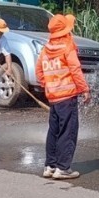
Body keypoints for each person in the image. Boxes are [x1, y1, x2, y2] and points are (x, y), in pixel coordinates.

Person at [37, 13, 90, 180]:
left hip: (53, 97)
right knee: (68, 131)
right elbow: (75, 69)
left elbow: (39, 71)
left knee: (53, 131)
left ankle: (50, 166)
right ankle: (63, 168)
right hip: (67, 97)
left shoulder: (46, 49)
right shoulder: (67, 47)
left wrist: (48, 85)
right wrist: (84, 89)